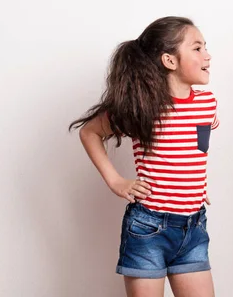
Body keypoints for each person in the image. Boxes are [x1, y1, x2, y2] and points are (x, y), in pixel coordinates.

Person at [70, 16, 218, 297]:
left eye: (205, 48)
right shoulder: (143, 106)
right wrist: (115, 181)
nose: (208, 55)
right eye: (197, 48)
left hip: (194, 226)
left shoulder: (207, 103)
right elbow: (89, 132)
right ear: (169, 61)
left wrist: (193, 184)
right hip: (149, 227)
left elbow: (196, 147)